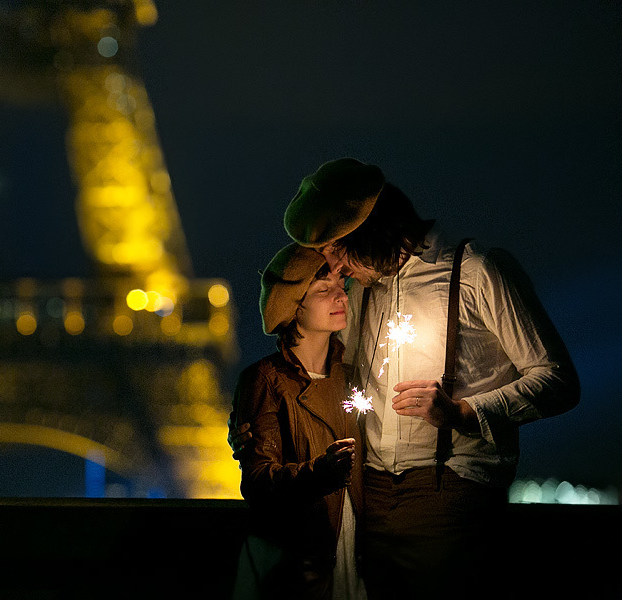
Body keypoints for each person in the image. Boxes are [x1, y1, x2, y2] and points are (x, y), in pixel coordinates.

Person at [231, 158, 580, 600]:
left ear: (370, 230)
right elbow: (317, 361)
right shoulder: (362, 289)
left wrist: (463, 411)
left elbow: (558, 380)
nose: (333, 265)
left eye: (337, 248)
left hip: (448, 491)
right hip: (366, 497)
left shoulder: (477, 271)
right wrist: (258, 408)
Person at [230, 241, 366, 600]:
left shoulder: (353, 377)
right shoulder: (264, 380)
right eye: (324, 290)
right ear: (293, 307)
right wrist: (322, 471)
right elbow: (258, 481)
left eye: (342, 287)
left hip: (352, 555)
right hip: (299, 565)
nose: (341, 297)